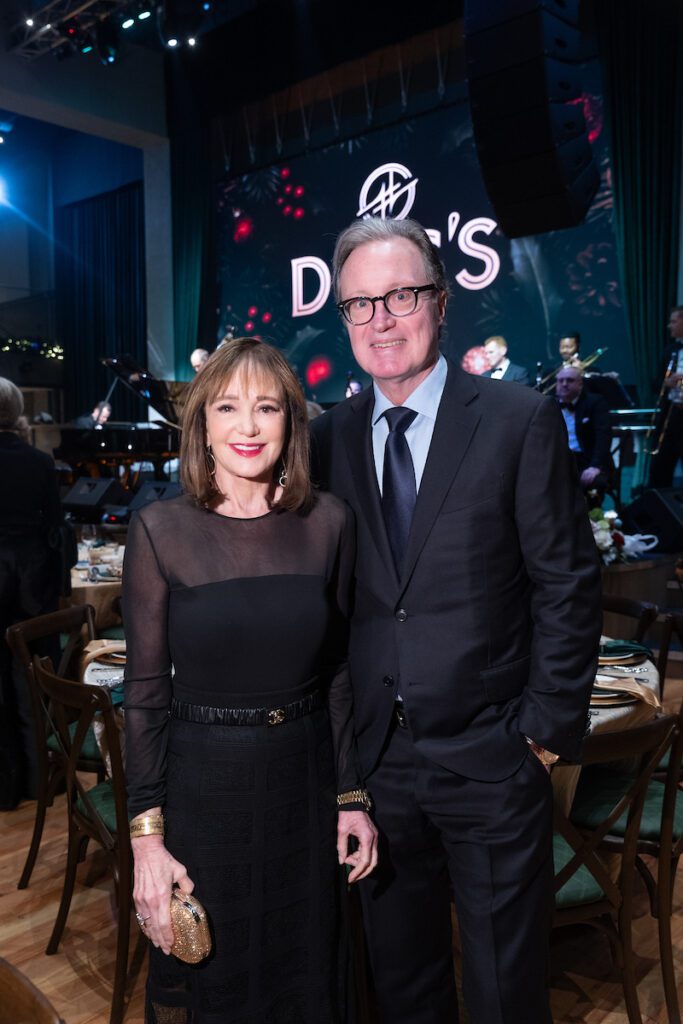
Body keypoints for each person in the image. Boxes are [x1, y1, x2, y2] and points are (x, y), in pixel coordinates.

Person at [310, 218, 601, 1024]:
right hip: (377, 768)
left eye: (399, 295)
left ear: (439, 302)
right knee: (403, 987)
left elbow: (567, 585)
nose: (380, 320)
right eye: (359, 303)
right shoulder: (325, 437)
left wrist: (539, 737)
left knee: (506, 992)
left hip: (494, 758)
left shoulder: (517, 420)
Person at [123, 338, 377, 1023]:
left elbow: (338, 672)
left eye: (267, 408)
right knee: (214, 979)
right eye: (228, 407)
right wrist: (146, 838)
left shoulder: (328, 523)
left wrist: (351, 794)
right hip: (204, 788)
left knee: (306, 973)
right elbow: (145, 695)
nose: (248, 427)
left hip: (305, 782)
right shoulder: (159, 530)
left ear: (291, 423)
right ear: (201, 423)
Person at [0, 378, 62, 805]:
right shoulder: (40, 462)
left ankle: (6, 786)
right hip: (31, 583)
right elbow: (56, 529)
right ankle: (40, 780)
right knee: (32, 683)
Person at [555, 364, 613, 500]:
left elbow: (603, 436)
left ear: (580, 384)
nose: (564, 384)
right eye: (560, 380)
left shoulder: (595, 402)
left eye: (570, 380)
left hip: (587, 460)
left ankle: (591, 520)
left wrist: (595, 466)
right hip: (560, 460)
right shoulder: (550, 405)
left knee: (594, 481)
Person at [649, 305, 683, 487]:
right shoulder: (670, 350)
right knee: (661, 467)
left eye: (673, 321)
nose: (670, 326)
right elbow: (655, 383)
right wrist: (666, 383)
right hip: (671, 414)